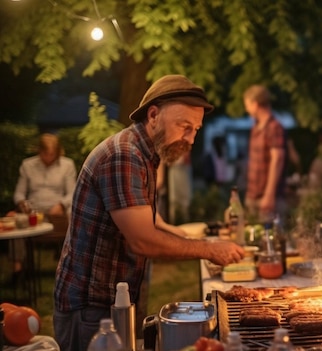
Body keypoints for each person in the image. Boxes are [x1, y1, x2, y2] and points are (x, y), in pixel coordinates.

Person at [53, 74, 245, 351]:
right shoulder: (125, 155)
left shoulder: (144, 155)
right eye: (184, 126)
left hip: (111, 301)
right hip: (90, 309)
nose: (190, 139)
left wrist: (181, 233)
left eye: (195, 130)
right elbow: (143, 240)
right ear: (153, 114)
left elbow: (143, 216)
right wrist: (209, 249)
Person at [10, 133, 76, 279]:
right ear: (39, 151)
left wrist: (61, 204)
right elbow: (19, 193)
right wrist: (23, 204)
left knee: (73, 212)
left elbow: (72, 193)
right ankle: (18, 269)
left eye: (52, 154)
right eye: (46, 153)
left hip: (57, 207)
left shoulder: (67, 165)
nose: (49, 157)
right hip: (34, 208)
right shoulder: (28, 165)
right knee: (17, 219)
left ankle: (72, 263)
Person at [242, 84, 286, 223]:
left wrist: (269, 194)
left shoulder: (274, 127)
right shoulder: (256, 126)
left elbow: (277, 159)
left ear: (255, 104)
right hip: (253, 194)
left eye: (247, 105)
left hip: (265, 196)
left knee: (269, 238)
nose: (246, 109)